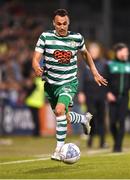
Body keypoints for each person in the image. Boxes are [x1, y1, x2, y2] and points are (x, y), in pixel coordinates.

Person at [32, 9, 107, 161]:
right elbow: (35, 58)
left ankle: (59, 150)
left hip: (68, 82)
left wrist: (94, 71)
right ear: (54, 23)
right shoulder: (45, 37)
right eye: (58, 24)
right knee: (63, 117)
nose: (62, 26)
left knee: (59, 110)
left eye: (64, 23)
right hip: (51, 84)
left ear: (68, 23)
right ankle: (84, 119)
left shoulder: (77, 38)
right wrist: (35, 66)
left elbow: (85, 54)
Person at [82, 42, 107, 148]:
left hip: (101, 93)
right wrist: (81, 92)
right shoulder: (85, 64)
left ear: (99, 51)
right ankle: (90, 140)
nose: (94, 52)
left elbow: (107, 79)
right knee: (91, 118)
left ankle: (102, 141)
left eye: (95, 50)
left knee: (101, 118)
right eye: (91, 50)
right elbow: (82, 79)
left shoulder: (104, 63)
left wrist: (108, 93)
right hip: (89, 94)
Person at [106, 43, 130, 152]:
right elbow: (105, 81)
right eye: (124, 51)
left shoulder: (128, 65)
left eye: (127, 51)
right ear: (118, 52)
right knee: (112, 123)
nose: (126, 53)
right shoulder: (110, 65)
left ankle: (118, 147)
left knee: (121, 122)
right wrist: (108, 93)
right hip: (112, 97)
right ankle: (117, 142)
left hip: (124, 98)